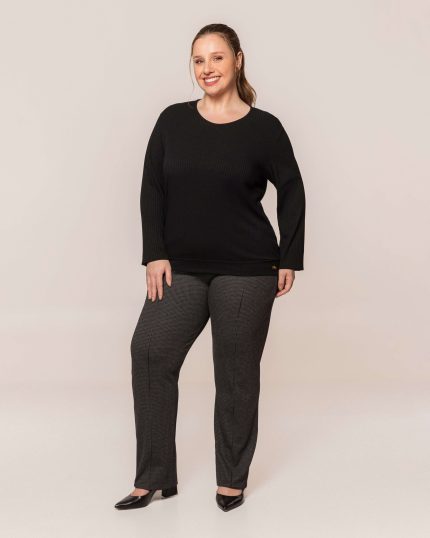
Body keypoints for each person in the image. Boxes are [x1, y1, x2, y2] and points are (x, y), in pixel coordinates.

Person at [115, 23, 306, 513]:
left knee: (235, 370)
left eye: (217, 57)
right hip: (181, 265)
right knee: (150, 350)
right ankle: (154, 476)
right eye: (199, 60)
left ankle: (231, 478)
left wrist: (290, 256)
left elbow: (292, 187)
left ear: (237, 60)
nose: (207, 68)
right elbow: (151, 187)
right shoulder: (172, 121)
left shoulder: (264, 128)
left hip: (247, 267)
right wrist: (154, 252)